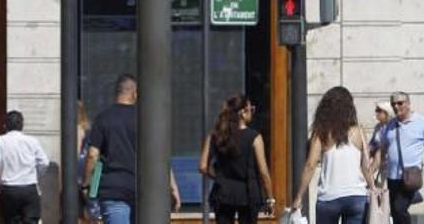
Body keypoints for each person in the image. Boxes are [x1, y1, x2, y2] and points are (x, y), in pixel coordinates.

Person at [81, 74, 182, 224]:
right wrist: (172, 186)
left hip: (113, 190)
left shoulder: (103, 118)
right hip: (144, 191)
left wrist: (87, 185)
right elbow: (159, 157)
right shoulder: (146, 119)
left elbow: (92, 155)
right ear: (135, 93)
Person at [291, 86, 375, 224]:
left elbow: (310, 165)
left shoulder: (321, 132)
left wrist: (299, 196)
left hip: (329, 196)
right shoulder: (359, 131)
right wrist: (373, 187)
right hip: (356, 195)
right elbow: (366, 166)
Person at [199, 94, 275, 224]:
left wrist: (219, 176)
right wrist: (270, 198)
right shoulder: (254, 137)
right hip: (248, 193)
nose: (252, 112)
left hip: (223, 192)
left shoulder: (215, 135)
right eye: (251, 109)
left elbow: (203, 166)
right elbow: (263, 172)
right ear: (242, 113)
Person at [378, 91, 424, 224]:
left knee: (399, 208)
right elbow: (383, 145)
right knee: (395, 212)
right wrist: (382, 161)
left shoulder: (421, 122)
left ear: (408, 104)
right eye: (393, 104)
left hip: (410, 175)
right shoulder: (391, 124)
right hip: (392, 177)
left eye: (400, 103)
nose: (396, 106)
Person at [0, 110, 50, 223]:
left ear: (5, 125)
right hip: (29, 188)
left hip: (8, 189)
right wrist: (36, 175)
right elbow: (44, 162)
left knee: (10, 220)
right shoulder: (32, 141)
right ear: (22, 125)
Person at [369, 100, 391, 174]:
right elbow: (372, 143)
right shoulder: (378, 126)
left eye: (379, 110)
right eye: (376, 110)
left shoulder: (392, 127)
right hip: (378, 164)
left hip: (389, 164)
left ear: (387, 112)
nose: (376, 113)